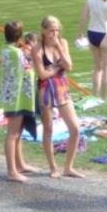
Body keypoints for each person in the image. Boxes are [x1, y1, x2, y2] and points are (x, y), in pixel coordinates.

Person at [33, 15, 84, 179]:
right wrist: (56, 67)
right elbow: (41, 75)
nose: (54, 34)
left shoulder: (63, 43)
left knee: (75, 128)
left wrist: (59, 50)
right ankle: (53, 167)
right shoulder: (37, 49)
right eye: (51, 31)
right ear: (43, 30)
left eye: (57, 30)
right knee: (48, 129)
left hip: (62, 88)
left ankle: (68, 167)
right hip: (46, 90)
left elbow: (69, 66)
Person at [1, 21, 39, 182]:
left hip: (16, 96)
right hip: (17, 98)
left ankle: (20, 164)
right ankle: (11, 170)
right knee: (13, 133)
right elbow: (29, 64)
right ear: (19, 36)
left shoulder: (6, 50)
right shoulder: (18, 53)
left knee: (19, 132)